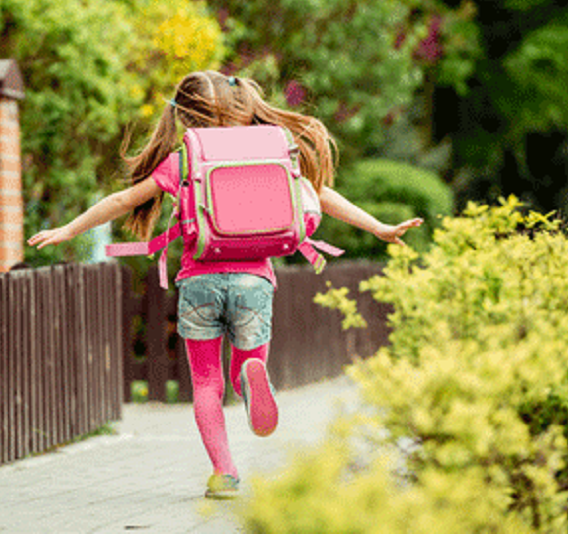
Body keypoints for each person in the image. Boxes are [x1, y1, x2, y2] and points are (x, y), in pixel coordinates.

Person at [27, 71, 423, 498]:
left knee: (205, 385)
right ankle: (250, 379)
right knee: (243, 368)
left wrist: (69, 229)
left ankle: (225, 473)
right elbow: (322, 194)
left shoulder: (183, 159)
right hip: (254, 281)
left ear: (187, 120)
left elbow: (124, 200)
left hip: (200, 280)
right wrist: (378, 226)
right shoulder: (272, 150)